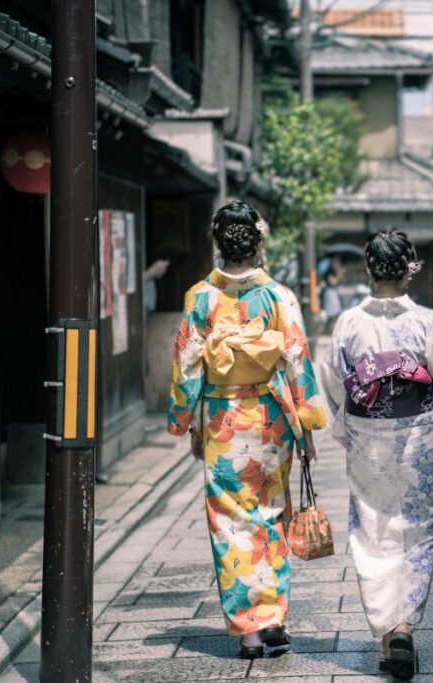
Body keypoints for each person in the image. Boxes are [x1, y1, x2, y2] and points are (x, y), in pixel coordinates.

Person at [167, 200, 328, 660]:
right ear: (258, 242)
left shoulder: (201, 297)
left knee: (230, 522)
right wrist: (308, 423)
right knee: (271, 513)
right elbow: (298, 358)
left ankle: (250, 631)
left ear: (219, 244)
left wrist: (184, 419)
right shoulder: (279, 296)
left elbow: (186, 366)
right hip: (271, 416)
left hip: (222, 417)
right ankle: (274, 617)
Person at [320, 230, 433, 681]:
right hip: (417, 433)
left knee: (373, 528)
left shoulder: (348, 324)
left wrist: (347, 425)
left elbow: (331, 381)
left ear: (368, 270)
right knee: (419, 531)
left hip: (367, 434)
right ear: (409, 269)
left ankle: (386, 635)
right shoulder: (426, 322)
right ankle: (405, 625)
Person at [320, 269, 343, 333]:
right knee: (330, 325)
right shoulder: (325, 289)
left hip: (337, 310)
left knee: (336, 325)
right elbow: (321, 300)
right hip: (329, 311)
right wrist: (322, 310)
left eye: (333, 278)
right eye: (330, 278)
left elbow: (340, 300)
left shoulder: (337, 288)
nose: (331, 280)